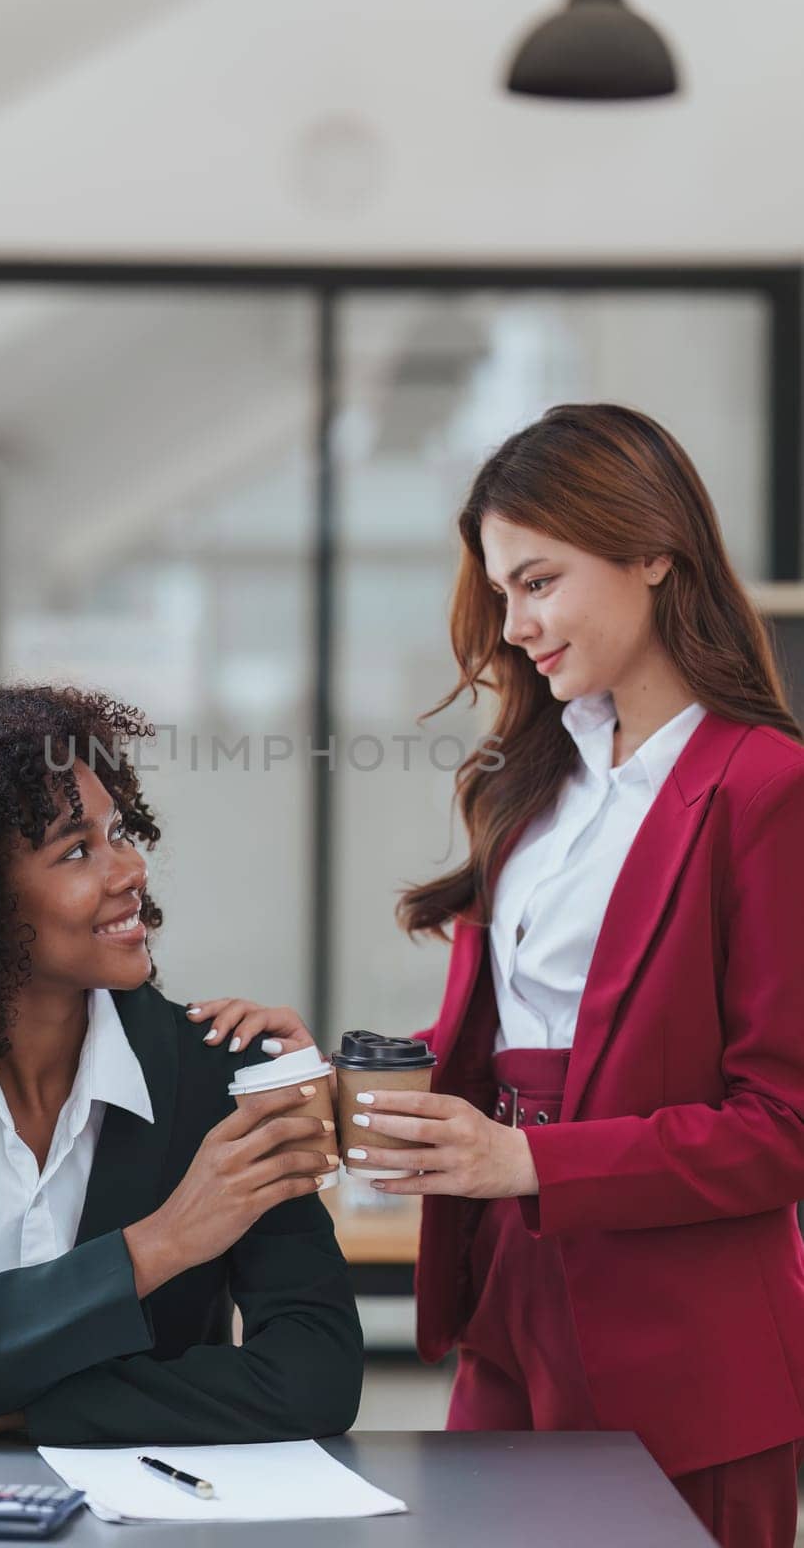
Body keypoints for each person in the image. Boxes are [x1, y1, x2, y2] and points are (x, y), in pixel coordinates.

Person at [187, 404, 804, 1548]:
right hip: (506, 1294)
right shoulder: (532, 785)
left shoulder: (764, 790)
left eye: (537, 582)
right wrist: (334, 1075)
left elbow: (780, 1126)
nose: (513, 626)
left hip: (686, 1344)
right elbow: (498, 1045)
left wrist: (525, 1157)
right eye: (499, 592)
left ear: (652, 552)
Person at [0, 684, 362, 1448]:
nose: (130, 871)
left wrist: (21, 1410)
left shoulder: (225, 1076)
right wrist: (162, 1244)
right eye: (77, 850)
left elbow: (316, 1377)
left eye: (118, 833)